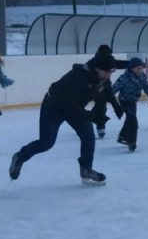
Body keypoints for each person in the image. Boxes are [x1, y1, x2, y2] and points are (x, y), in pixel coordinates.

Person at [9, 49, 118, 186]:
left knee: (88, 136)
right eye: (107, 72)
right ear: (97, 68)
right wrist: (90, 116)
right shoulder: (78, 77)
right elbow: (70, 104)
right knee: (46, 142)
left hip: (75, 107)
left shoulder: (103, 79)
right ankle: (20, 156)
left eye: (111, 72)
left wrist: (102, 113)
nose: (109, 75)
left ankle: (86, 169)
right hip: (54, 106)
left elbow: (103, 95)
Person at [113, 57, 148, 152]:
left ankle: (122, 136)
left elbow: (146, 86)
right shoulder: (124, 78)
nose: (140, 70)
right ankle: (132, 141)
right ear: (131, 68)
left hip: (133, 101)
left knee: (130, 118)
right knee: (133, 120)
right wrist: (107, 97)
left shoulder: (142, 76)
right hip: (124, 100)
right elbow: (114, 88)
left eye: (141, 68)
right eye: (138, 68)